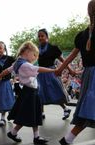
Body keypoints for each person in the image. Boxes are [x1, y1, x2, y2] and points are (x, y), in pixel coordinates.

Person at [0, 41, 56, 144]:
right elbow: (38, 69)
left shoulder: (18, 63)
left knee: (33, 115)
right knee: (27, 116)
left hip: (29, 92)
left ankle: (34, 136)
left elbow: (8, 70)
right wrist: (54, 70)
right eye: (34, 55)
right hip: (30, 93)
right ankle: (15, 132)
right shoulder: (24, 65)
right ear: (27, 51)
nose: (35, 58)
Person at [56, 0, 95, 144]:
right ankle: (68, 139)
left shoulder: (82, 35)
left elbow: (71, 55)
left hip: (89, 74)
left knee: (88, 108)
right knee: (89, 109)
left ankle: (68, 138)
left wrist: (60, 69)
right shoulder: (85, 35)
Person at [37, 28, 73, 120]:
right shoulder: (37, 50)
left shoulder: (53, 48)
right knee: (40, 93)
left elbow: (63, 60)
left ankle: (66, 108)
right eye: (39, 36)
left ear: (47, 37)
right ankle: (41, 113)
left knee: (55, 92)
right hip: (41, 74)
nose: (40, 38)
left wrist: (70, 69)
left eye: (42, 36)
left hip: (51, 73)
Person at [0, 41, 16, 127]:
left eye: (0, 48)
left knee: (7, 99)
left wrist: (15, 78)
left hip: (7, 82)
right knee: (1, 100)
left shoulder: (10, 58)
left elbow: (16, 66)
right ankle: (2, 118)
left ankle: (8, 115)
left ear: (4, 49)